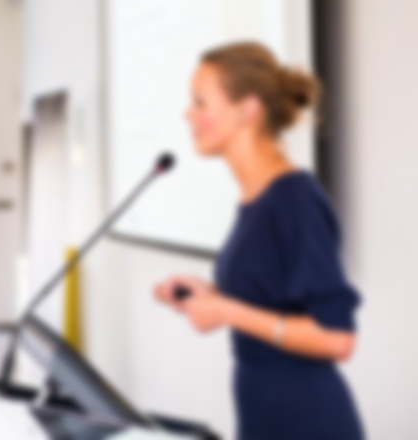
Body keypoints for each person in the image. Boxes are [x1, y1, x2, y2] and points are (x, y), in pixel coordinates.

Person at [153, 42, 363, 440]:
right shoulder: (257, 199)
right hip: (265, 416)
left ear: (247, 110)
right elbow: (272, 300)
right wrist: (211, 295)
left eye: (200, 102)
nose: (187, 113)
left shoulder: (294, 199)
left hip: (308, 423)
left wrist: (226, 310)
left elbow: (337, 338)